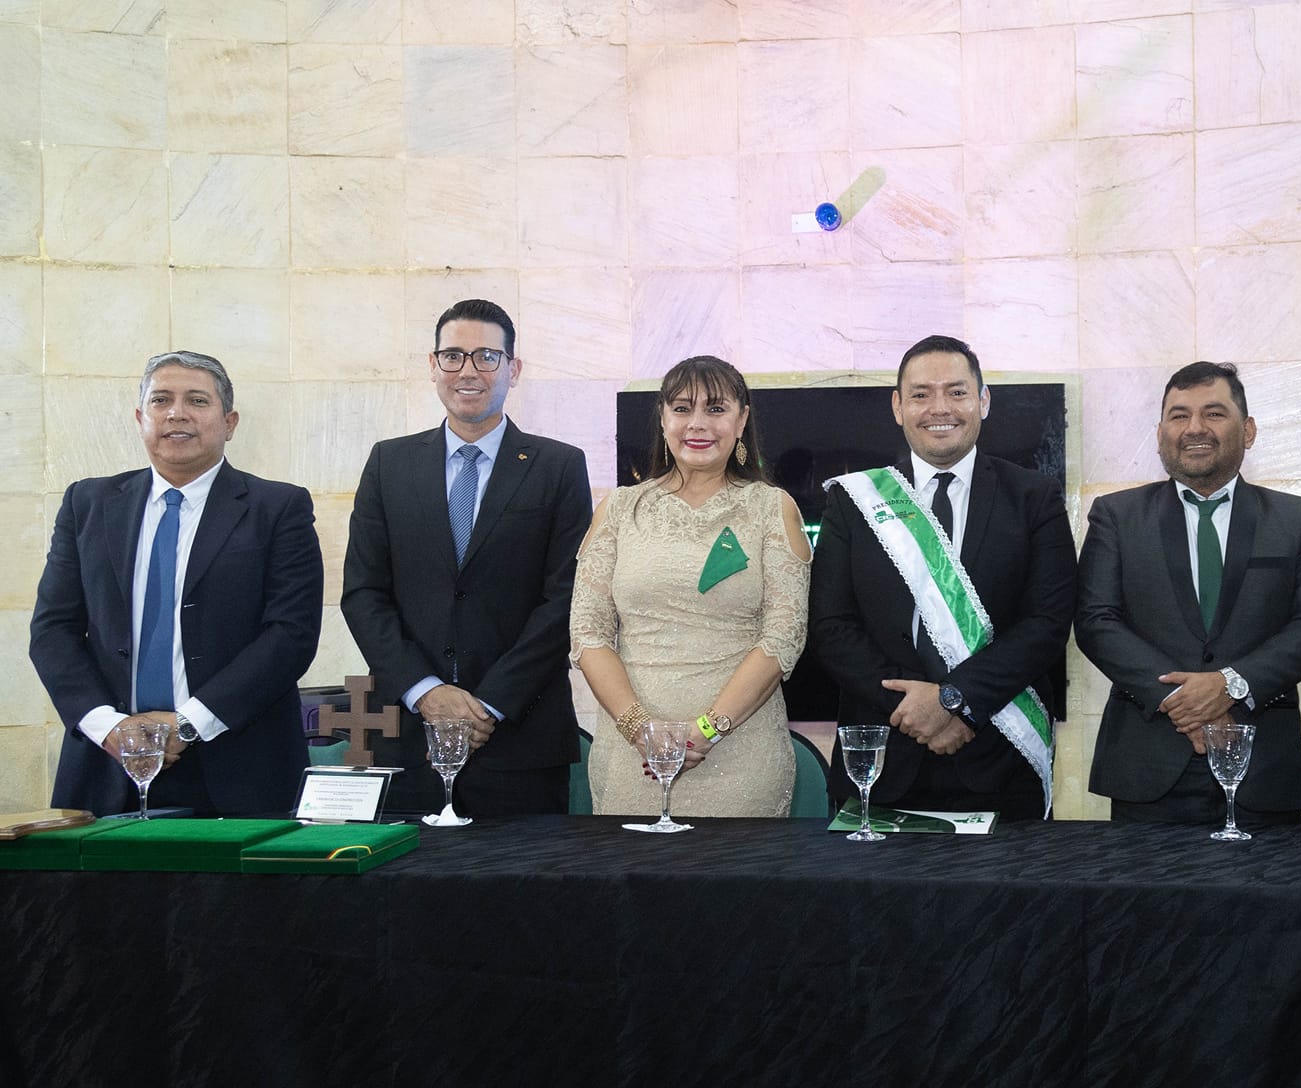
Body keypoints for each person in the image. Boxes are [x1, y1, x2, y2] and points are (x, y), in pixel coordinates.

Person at [29, 351, 322, 816]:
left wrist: (187, 725)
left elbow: (291, 634)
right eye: (161, 399)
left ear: (229, 422)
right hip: (106, 766)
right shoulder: (87, 503)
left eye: (197, 400)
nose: (177, 413)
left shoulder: (277, 508)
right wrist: (109, 728)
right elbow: (52, 631)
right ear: (140, 417)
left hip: (236, 764)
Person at [809, 335, 1076, 820]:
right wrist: (919, 709)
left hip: (1001, 753)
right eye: (920, 394)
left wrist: (955, 700)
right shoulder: (853, 502)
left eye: (956, 392)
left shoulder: (1034, 496)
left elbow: (1048, 621)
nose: (939, 408)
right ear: (897, 406)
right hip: (881, 757)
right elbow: (832, 627)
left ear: (983, 401)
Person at [341, 299, 592, 816]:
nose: (468, 371)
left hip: (521, 738)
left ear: (513, 369)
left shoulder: (559, 466)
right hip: (409, 738)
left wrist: (487, 705)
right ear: (433, 367)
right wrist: (427, 693)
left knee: (526, 893)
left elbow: (567, 597)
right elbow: (364, 592)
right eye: (453, 356)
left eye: (486, 356)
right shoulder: (389, 464)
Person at [1077, 362, 1301, 827]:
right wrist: (1184, 699)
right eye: (1179, 416)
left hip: (1262, 767)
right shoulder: (1117, 517)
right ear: (1160, 433)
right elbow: (1096, 621)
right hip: (1147, 764)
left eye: (1214, 413)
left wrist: (1230, 684)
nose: (1194, 428)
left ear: (1249, 429)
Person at [569, 355, 812, 816]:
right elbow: (588, 633)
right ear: (662, 418)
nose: (697, 424)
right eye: (682, 408)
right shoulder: (619, 510)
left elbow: (784, 637)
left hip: (740, 756)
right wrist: (643, 731)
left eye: (716, 409)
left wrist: (706, 730)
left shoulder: (771, 508)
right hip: (630, 757)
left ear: (742, 420)